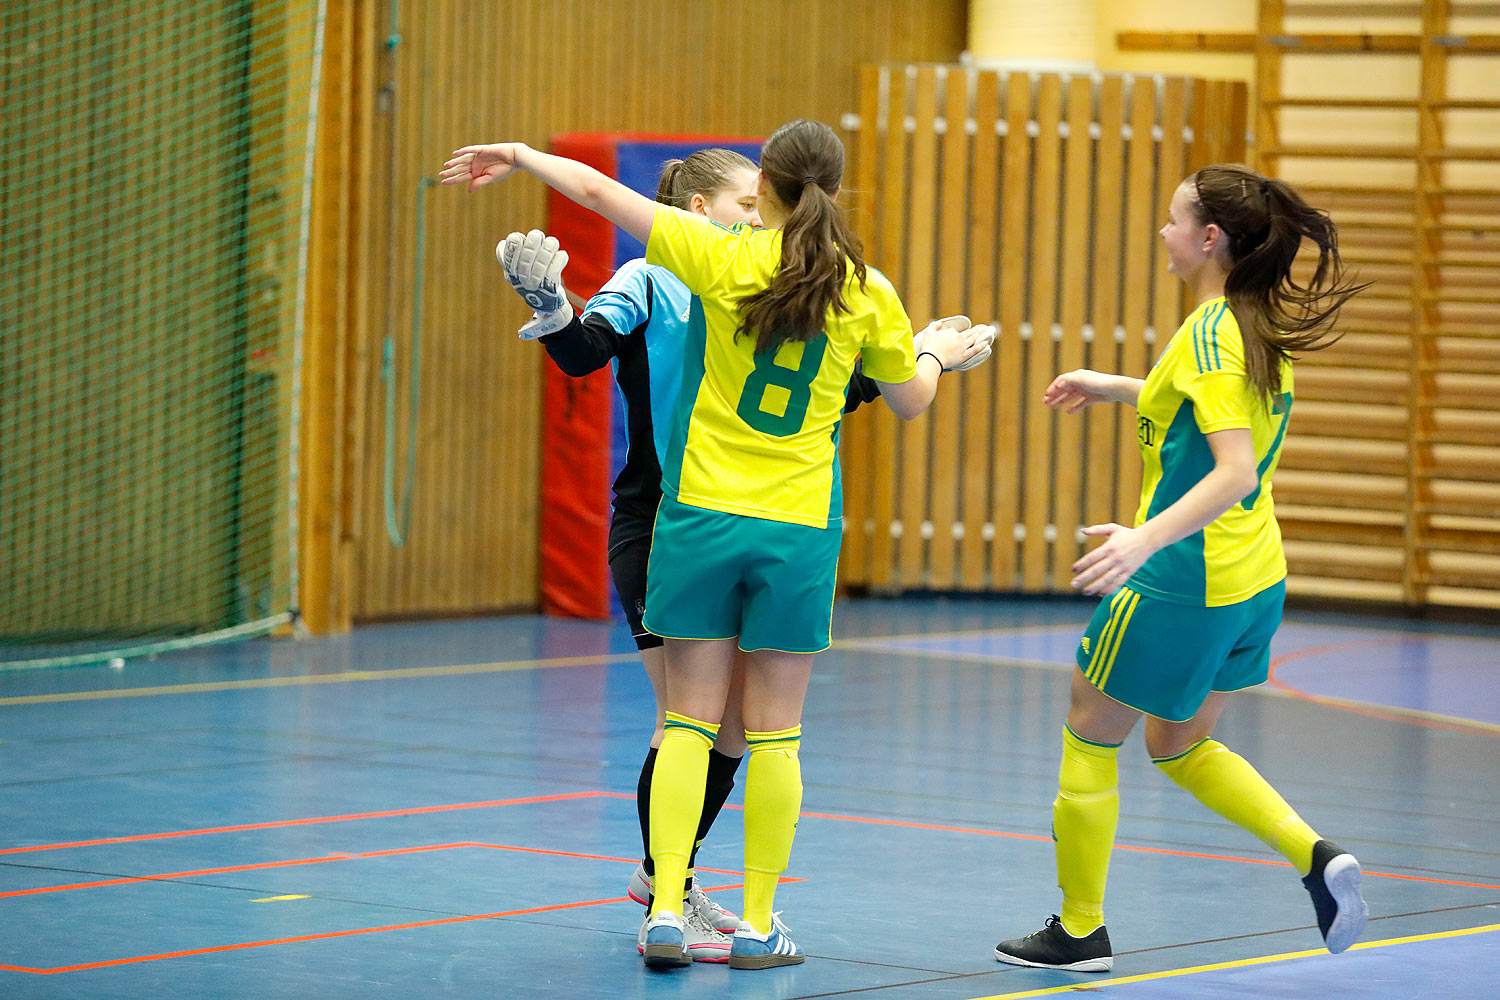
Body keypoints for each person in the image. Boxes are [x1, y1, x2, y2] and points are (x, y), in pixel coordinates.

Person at [443, 120, 987, 971]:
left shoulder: (720, 259)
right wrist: (932, 356)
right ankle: (759, 923)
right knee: (775, 734)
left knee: (693, 721)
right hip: (797, 525)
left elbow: (596, 193)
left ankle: (664, 907)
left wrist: (519, 156)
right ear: (835, 192)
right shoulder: (862, 286)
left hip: (699, 514)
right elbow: (905, 398)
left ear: (762, 189)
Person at [993, 164, 1371, 973]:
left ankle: (1080, 927)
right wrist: (1118, 387)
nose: (1161, 234)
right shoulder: (1251, 323)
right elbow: (1209, 407)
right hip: (1254, 578)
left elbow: (1231, 467)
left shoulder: (1208, 331)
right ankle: (1315, 856)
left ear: (1207, 239)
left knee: (1090, 731)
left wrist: (1143, 540)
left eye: (1172, 222)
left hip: (1186, 578)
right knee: (1178, 743)